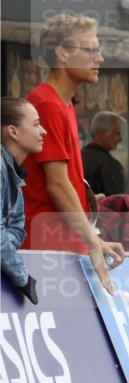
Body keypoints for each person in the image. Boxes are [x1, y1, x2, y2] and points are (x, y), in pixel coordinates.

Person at [21, 13, 124, 295]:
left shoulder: (62, 104)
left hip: (58, 246)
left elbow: (63, 182)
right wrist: (92, 240)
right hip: (44, 249)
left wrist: (94, 239)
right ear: (62, 53)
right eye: (90, 50)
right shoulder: (47, 104)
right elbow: (57, 185)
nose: (99, 58)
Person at [1, 97, 46, 304]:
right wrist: (22, 278)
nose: (43, 131)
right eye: (36, 124)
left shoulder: (12, 170)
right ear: (13, 132)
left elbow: (17, 230)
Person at [81, 110, 127, 197]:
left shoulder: (78, 157)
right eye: (116, 133)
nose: (120, 139)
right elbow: (116, 201)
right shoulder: (110, 165)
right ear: (100, 132)